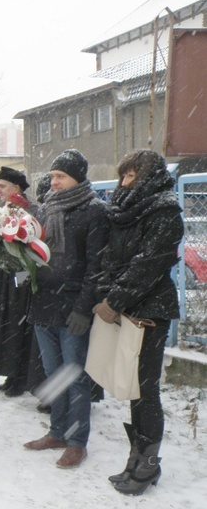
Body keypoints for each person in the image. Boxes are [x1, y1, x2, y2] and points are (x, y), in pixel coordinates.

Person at [93, 150, 183, 495]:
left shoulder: (164, 211)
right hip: (128, 308)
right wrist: (107, 293)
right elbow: (112, 258)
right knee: (134, 388)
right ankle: (136, 459)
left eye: (131, 176)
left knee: (145, 390)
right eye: (123, 176)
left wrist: (114, 301)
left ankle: (147, 464)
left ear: (149, 177)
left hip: (149, 313)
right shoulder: (125, 211)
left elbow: (149, 265)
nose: (124, 182)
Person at [24, 149, 109, 469]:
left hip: (73, 306)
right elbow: (36, 254)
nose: (53, 181)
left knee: (74, 377)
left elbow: (96, 267)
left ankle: (77, 441)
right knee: (52, 374)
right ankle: (57, 431)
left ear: (77, 177)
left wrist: (83, 309)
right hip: (44, 304)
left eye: (60, 176)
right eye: (53, 175)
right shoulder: (46, 210)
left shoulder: (94, 211)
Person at [0, 167, 40, 398]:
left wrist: (22, 277)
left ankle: (20, 377)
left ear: (17, 188)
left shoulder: (30, 212)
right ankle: (8, 372)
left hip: (20, 279)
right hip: (3, 278)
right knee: (4, 327)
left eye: (3, 186)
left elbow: (32, 246)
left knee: (18, 327)